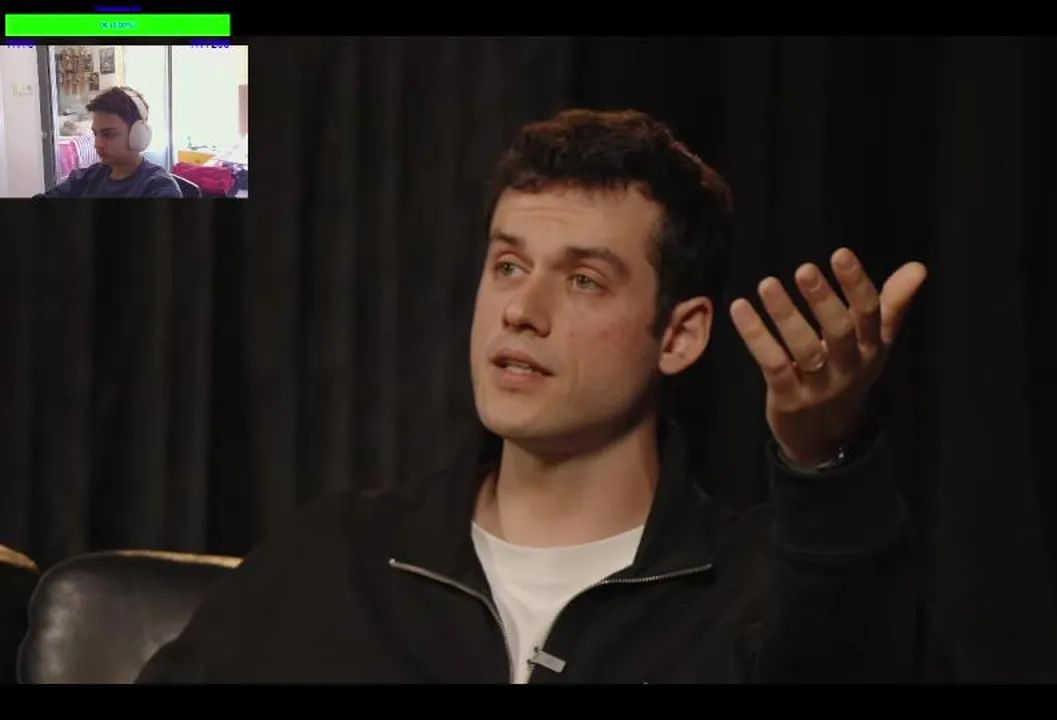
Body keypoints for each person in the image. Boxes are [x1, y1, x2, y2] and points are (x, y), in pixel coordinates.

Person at [136, 109, 930, 684]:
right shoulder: (338, 562)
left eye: (584, 280)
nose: (521, 310)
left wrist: (825, 460)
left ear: (680, 335)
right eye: (509, 266)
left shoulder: (755, 595)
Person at [35, 86, 181, 199]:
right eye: (95, 134)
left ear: (138, 134)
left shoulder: (159, 188)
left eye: (108, 134)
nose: (97, 144)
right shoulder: (87, 177)